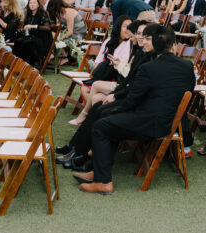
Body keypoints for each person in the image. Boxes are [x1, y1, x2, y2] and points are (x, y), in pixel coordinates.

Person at [74, 26, 194, 194]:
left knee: (101, 126)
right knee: (108, 122)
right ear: (173, 45)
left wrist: (114, 110)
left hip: (150, 122)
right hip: (168, 120)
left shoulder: (149, 68)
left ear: (156, 45)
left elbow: (132, 100)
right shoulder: (187, 66)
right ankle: (98, 172)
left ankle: (103, 182)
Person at [57, 21, 154, 172]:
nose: (140, 37)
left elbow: (134, 86)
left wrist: (115, 96)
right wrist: (115, 94)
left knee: (100, 108)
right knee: (97, 105)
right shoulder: (141, 53)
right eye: (139, 34)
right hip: (125, 93)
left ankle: (81, 152)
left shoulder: (149, 57)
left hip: (133, 103)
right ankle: (76, 148)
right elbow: (129, 82)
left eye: (145, 36)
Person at [10, 0, 54, 69]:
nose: (32, 5)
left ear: (38, 5)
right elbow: (26, 27)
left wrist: (33, 26)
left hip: (42, 39)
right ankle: (19, 65)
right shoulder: (29, 15)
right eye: (30, 3)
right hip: (32, 37)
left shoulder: (42, 13)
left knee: (28, 43)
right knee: (18, 41)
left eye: (34, 3)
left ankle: (30, 65)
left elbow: (47, 28)